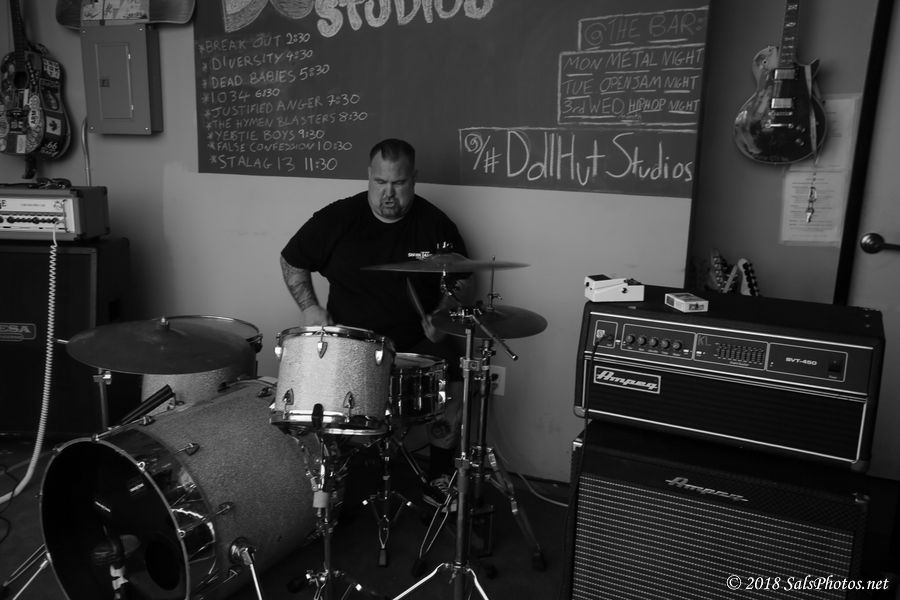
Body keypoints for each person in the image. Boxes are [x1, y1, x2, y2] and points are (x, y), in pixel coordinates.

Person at [280, 138, 467, 509]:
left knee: (454, 374)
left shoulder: (435, 224)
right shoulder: (337, 219)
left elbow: (460, 280)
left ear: (414, 178)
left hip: (415, 339)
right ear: (369, 176)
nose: (388, 193)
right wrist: (310, 307)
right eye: (380, 182)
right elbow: (292, 260)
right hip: (353, 342)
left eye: (398, 183)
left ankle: (439, 475)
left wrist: (444, 314)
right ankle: (338, 476)